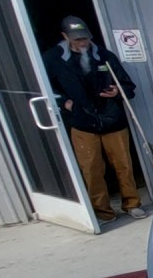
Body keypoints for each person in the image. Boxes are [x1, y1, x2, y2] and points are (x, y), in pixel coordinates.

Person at [42, 16, 147, 223]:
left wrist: (118, 91)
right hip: (81, 121)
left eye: (85, 38)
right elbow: (43, 86)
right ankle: (103, 211)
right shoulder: (53, 59)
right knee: (91, 168)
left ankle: (132, 204)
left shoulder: (104, 56)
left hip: (112, 119)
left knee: (123, 165)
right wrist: (64, 102)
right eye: (77, 39)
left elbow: (129, 87)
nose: (82, 42)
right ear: (65, 37)